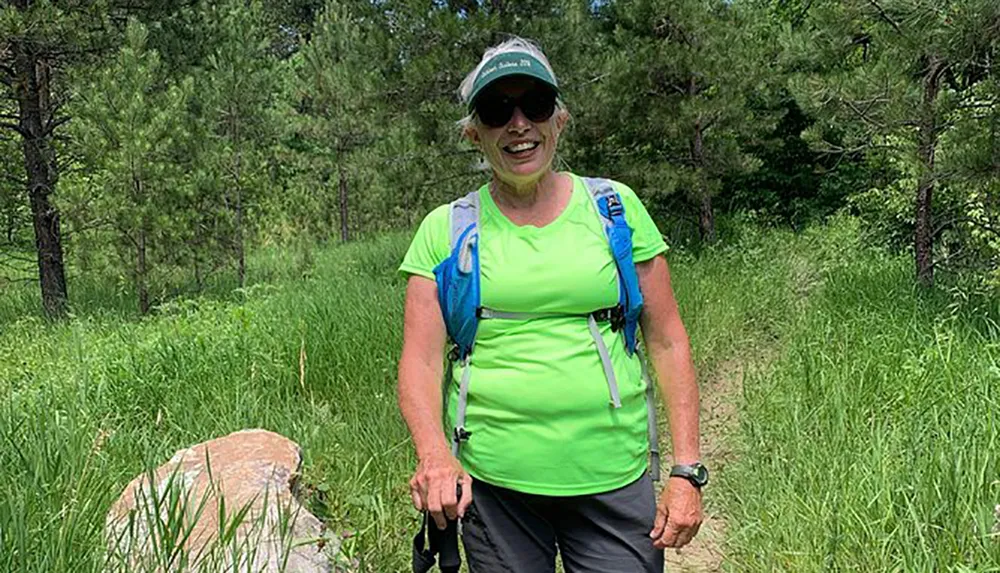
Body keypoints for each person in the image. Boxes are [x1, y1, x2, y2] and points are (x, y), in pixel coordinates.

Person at [397, 36, 704, 572]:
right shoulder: (445, 231)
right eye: (497, 111)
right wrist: (433, 455)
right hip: (494, 486)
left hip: (613, 474)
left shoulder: (615, 208)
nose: (519, 124)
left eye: (534, 105)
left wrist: (686, 471)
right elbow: (420, 360)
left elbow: (668, 339)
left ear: (559, 120)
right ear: (475, 134)